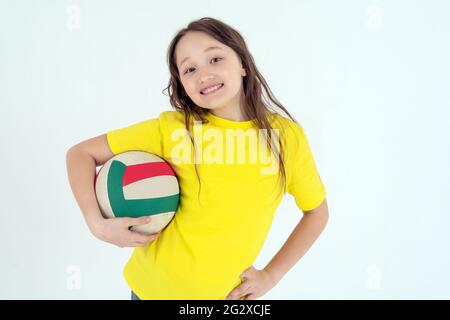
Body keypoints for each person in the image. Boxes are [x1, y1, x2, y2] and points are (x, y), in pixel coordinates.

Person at [66, 17, 329, 300]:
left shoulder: (284, 137)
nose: (204, 75)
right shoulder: (173, 129)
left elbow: (316, 212)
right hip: (150, 291)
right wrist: (96, 223)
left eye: (215, 59)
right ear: (182, 83)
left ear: (242, 63)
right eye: (190, 69)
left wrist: (271, 275)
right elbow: (80, 154)